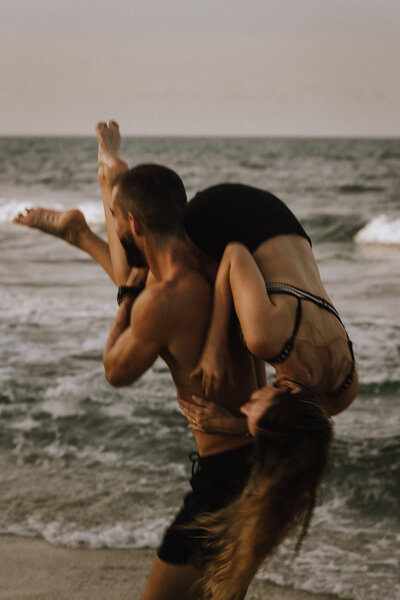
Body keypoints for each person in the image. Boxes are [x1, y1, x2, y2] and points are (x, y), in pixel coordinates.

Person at [184, 183, 359, 418]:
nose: (245, 408)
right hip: (224, 210)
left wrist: (235, 426)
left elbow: (295, 429)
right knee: (167, 273)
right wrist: (214, 347)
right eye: (251, 411)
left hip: (285, 221)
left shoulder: (344, 389)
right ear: (290, 391)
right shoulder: (265, 337)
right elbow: (235, 252)